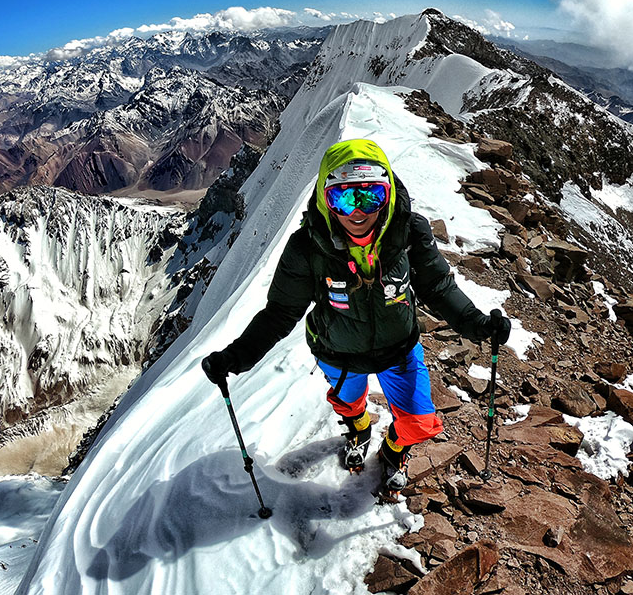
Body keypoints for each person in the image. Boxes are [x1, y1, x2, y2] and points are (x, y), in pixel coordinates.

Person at [202, 138, 511, 496]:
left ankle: (394, 448)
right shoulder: (307, 248)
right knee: (349, 404)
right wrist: (237, 357)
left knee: (420, 421)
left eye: (371, 196)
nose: (357, 211)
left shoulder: (410, 231)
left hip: (399, 350)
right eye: (343, 197)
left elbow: (438, 288)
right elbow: (281, 312)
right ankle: (360, 430)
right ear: (325, 199)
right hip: (339, 353)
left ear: (389, 194)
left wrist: (477, 325)